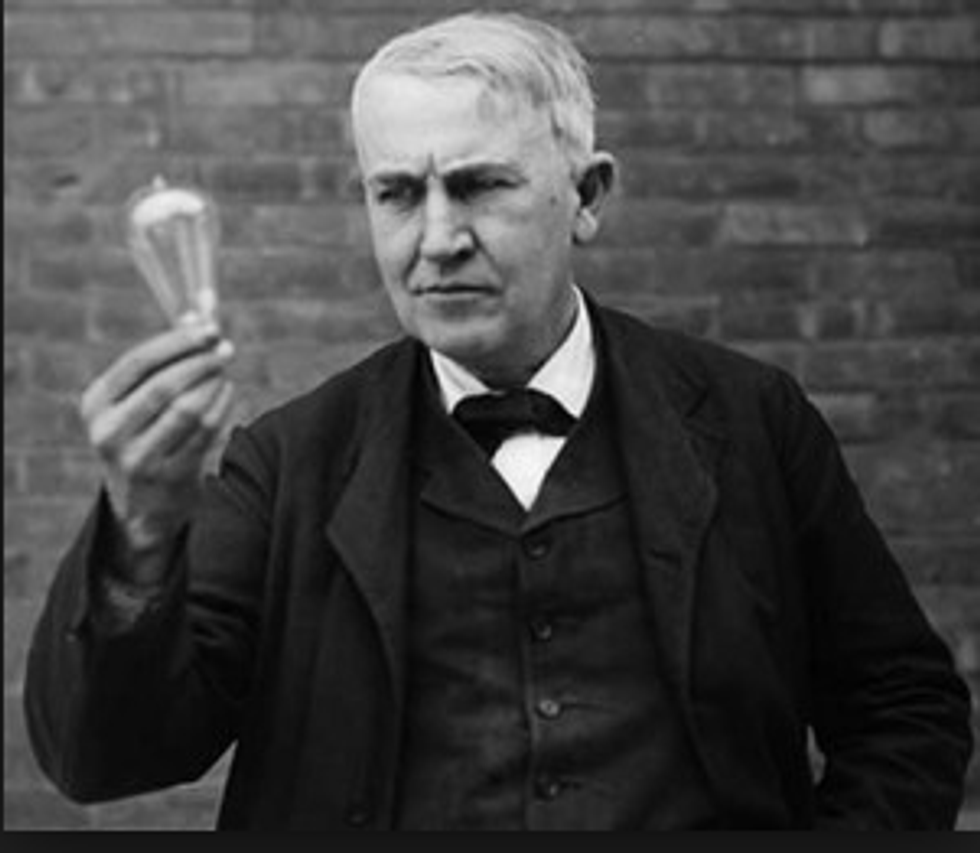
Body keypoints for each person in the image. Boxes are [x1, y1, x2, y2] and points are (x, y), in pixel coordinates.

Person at [24, 12, 973, 831]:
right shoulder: (290, 462)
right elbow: (104, 757)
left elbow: (905, 709)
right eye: (398, 194)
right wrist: (141, 532)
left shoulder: (752, 420)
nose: (438, 239)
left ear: (586, 196)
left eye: (480, 185)